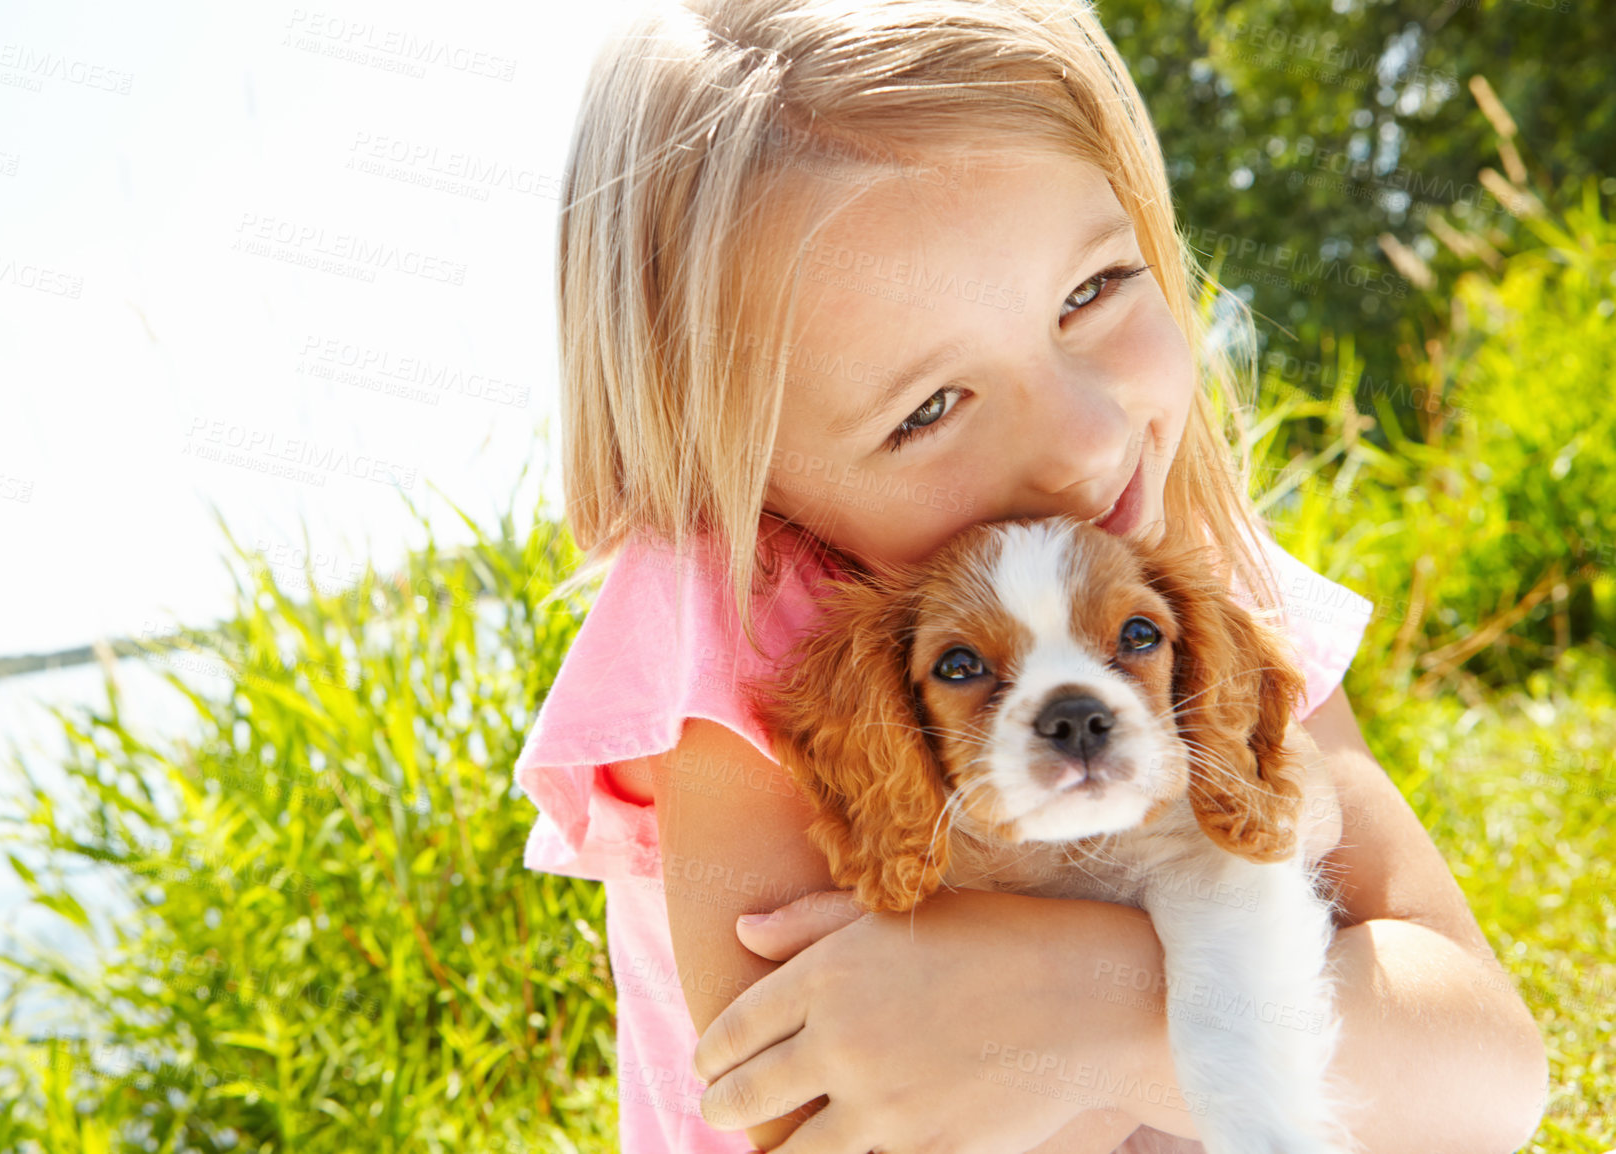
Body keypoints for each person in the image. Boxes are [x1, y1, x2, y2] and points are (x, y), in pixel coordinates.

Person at [514, 1, 1548, 1150]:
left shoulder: (1208, 591)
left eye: (1091, 290)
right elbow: (804, 1112)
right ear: (751, 481)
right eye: (927, 408)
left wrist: (1097, 1008)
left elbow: (1486, 1081)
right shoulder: (732, 621)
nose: (1085, 439)